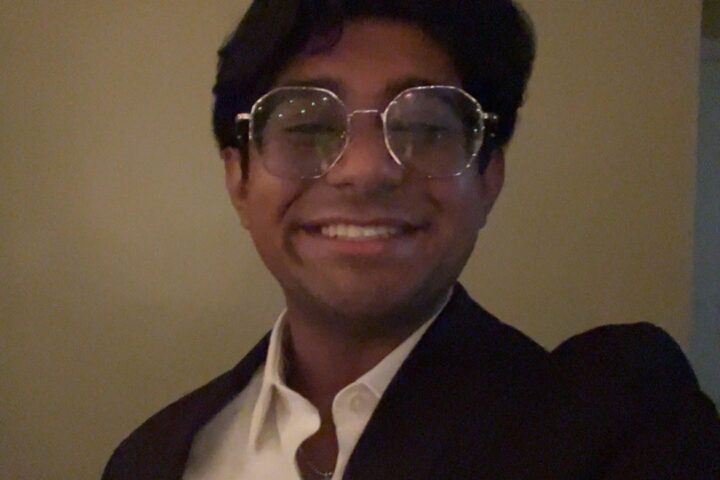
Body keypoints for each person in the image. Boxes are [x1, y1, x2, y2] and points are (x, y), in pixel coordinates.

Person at [102, 1, 720, 479]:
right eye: (309, 126)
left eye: (425, 128)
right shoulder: (151, 459)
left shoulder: (610, 424)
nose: (365, 170)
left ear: (489, 179)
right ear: (239, 178)